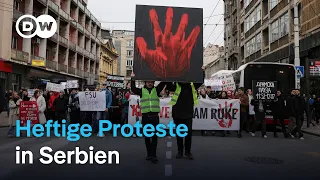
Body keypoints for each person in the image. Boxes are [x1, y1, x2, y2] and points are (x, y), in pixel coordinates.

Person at [166, 67, 205, 160]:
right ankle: (180, 151)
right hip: (177, 112)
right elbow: (168, 85)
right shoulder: (176, 85)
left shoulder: (191, 85)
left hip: (188, 113)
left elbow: (200, 81)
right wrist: (167, 74)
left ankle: (187, 152)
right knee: (179, 133)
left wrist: (202, 71)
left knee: (188, 134)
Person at [130, 73, 166, 164]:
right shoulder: (142, 91)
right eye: (148, 82)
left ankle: (153, 155)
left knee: (154, 137)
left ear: (153, 82)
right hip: (145, 117)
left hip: (154, 117)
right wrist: (132, 78)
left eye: (151, 82)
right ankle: (149, 153)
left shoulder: (156, 90)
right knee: (147, 136)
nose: (150, 83)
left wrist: (166, 73)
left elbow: (164, 82)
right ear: (145, 82)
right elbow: (133, 89)